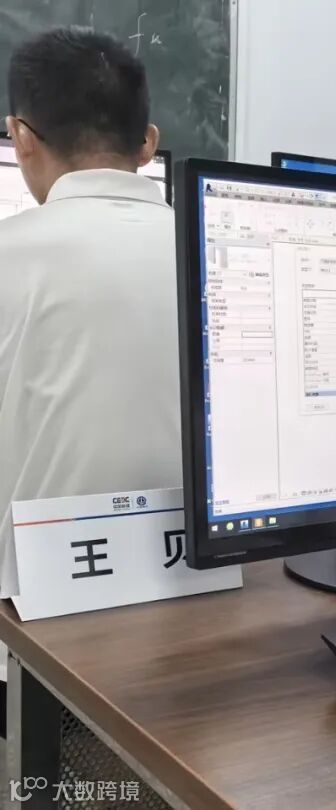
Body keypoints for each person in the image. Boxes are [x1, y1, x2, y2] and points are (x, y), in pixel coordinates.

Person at [0, 27, 180, 600]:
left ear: (20, 137)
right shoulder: (219, 249)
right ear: (147, 143)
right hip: (209, 589)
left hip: (29, 620)